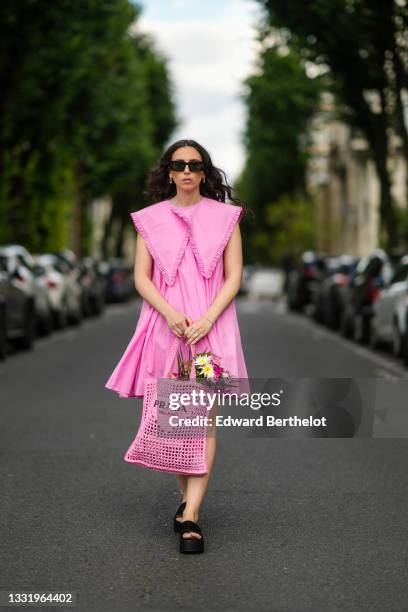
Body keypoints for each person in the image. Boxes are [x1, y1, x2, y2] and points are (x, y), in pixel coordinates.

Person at [105, 138, 249, 553]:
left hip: (211, 335)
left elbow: (233, 277)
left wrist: (206, 319)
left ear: (205, 172)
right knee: (176, 423)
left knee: (202, 422)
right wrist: (170, 313)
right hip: (167, 332)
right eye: (179, 164)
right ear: (169, 171)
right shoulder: (148, 221)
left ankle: (192, 516)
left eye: (195, 164)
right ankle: (187, 499)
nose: (187, 171)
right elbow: (141, 278)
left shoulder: (227, 219)